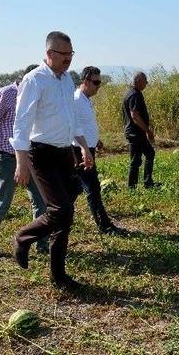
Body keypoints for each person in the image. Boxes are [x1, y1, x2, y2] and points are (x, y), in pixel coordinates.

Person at [11, 31, 94, 291]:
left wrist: (82, 146)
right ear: (49, 54)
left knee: (65, 213)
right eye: (63, 55)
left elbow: (71, 118)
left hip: (63, 153)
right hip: (41, 153)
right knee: (61, 211)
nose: (68, 59)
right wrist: (21, 162)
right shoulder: (34, 80)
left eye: (71, 54)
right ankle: (23, 238)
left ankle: (59, 276)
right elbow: (21, 123)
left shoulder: (67, 80)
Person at [0, 64, 49, 258]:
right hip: (8, 156)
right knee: (3, 201)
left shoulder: (37, 95)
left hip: (30, 156)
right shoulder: (6, 94)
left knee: (41, 202)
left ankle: (41, 245)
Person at [72, 66, 127, 235]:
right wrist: (84, 148)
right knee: (93, 187)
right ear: (85, 81)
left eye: (99, 82)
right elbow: (73, 127)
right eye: (95, 82)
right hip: (79, 150)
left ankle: (62, 216)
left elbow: (85, 124)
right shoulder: (76, 99)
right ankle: (105, 226)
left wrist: (96, 140)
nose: (98, 86)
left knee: (74, 188)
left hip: (87, 147)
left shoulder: (86, 98)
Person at [123, 71, 157, 188]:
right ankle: (141, 184)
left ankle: (138, 184)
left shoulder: (130, 92)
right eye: (145, 80)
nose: (147, 83)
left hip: (134, 132)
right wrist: (147, 130)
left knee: (141, 157)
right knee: (141, 158)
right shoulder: (134, 94)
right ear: (138, 81)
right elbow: (134, 115)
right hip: (135, 133)